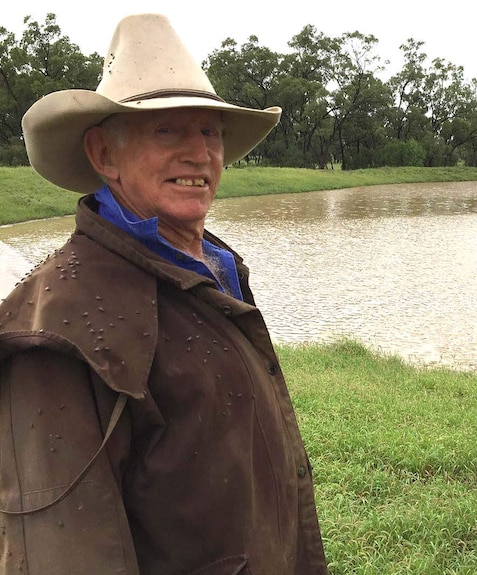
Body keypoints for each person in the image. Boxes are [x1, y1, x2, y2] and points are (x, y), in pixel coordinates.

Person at [0, 14, 328, 575]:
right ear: (105, 155)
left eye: (210, 132)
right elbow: (64, 550)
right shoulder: (55, 329)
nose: (199, 154)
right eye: (168, 130)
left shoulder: (214, 266)